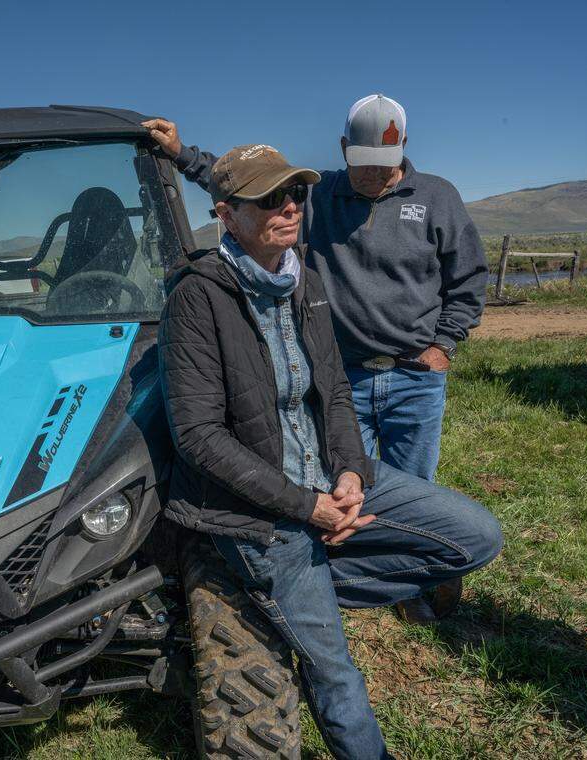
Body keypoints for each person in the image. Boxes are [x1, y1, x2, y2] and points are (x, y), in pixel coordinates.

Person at [158, 143, 503, 759]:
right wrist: (306, 507)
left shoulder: (304, 281)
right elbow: (199, 438)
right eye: (268, 198)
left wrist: (348, 471)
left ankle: (277, 592)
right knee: (335, 670)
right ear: (225, 214)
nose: (289, 207)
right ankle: (288, 592)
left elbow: (336, 393)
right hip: (260, 507)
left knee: (475, 537)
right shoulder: (197, 296)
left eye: (294, 194)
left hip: (326, 477)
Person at [145, 94, 488, 622]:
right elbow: (244, 187)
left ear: (403, 155)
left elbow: (467, 280)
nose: (371, 177)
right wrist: (182, 153)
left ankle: (410, 585)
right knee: (342, 491)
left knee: (414, 487)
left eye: (383, 167)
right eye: (361, 165)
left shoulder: (438, 198)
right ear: (344, 149)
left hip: (415, 375)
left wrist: (444, 344)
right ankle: (328, 584)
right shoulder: (319, 194)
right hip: (342, 376)